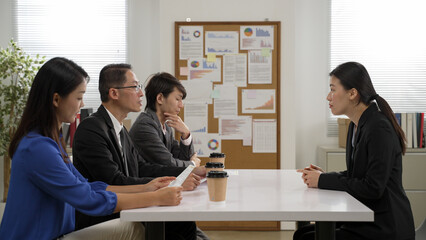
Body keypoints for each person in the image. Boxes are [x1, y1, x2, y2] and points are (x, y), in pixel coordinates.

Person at [0, 57, 183, 240]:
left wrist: (146, 188)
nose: (82, 104)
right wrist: (156, 197)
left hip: (57, 233)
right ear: (56, 99)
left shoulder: (50, 141)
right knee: (135, 230)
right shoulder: (38, 148)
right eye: (79, 97)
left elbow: (88, 186)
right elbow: (88, 198)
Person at [72, 64, 206, 239]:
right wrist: (170, 183)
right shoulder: (91, 129)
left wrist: (186, 172)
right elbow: (113, 181)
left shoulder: (120, 129)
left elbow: (142, 167)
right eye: (135, 87)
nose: (141, 93)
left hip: (125, 204)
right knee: (181, 224)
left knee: (185, 223)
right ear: (114, 93)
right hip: (100, 214)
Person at [294, 62, 415, 240]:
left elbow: (373, 188)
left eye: (333, 90)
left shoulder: (379, 128)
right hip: (368, 217)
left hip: (385, 226)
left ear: (352, 93)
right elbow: (357, 176)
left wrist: (323, 180)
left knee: (306, 237)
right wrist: (323, 176)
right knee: (303, 233)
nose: (328, 97)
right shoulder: (356, 126)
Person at [129, 72, 200, 167]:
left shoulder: (166, 125)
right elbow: (169, 164)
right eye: (177, 99)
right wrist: (193, 164)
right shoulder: (144, 126)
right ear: (160, 98)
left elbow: (180, 159)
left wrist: (186, 134)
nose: (181, 105)